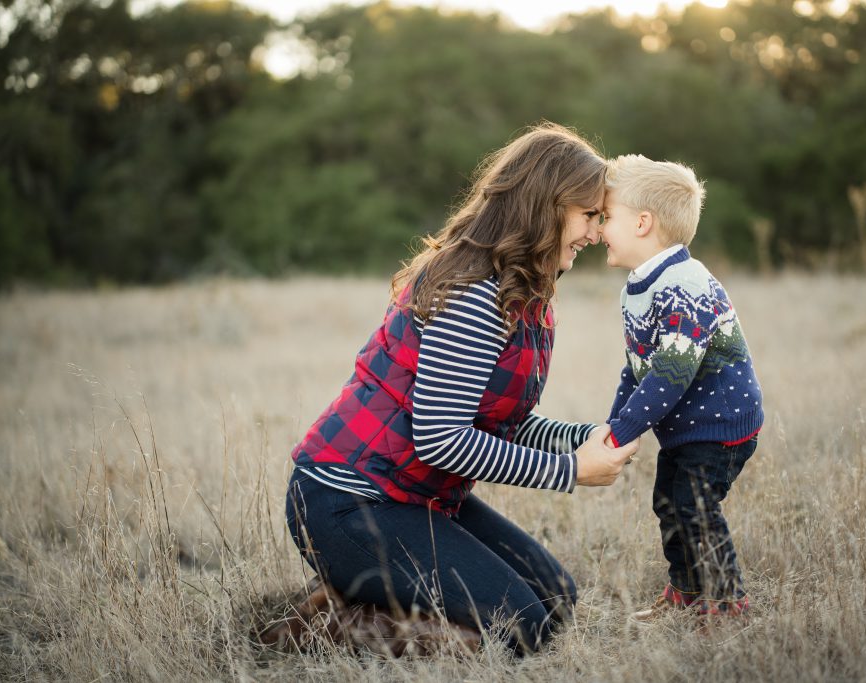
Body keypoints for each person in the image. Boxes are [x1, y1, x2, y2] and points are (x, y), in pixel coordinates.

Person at [276, 123, 640, 656]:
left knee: (556, 600)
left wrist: (584, 438)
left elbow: (499, 421)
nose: (593, 233)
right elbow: (441, 439)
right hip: (347, 503)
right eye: (588, 216)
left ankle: (365, 596)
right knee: (520, 627)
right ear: (546, 206)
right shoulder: (475, 296)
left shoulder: (522, 291)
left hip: (412, 497)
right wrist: (570, 472)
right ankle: (320, 626)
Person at [597, 154, 764, 618]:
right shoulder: (642, 285)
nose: (598, 229)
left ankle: (727, 602)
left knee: (695, 506)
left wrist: (624, 431)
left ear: (642, 223)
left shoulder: (684, 284)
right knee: (669, 503)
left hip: (720, 425)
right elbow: (637, 369)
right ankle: (687, 592)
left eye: (607, 217)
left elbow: (670, 374)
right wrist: (614, 425)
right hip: (687, 427)